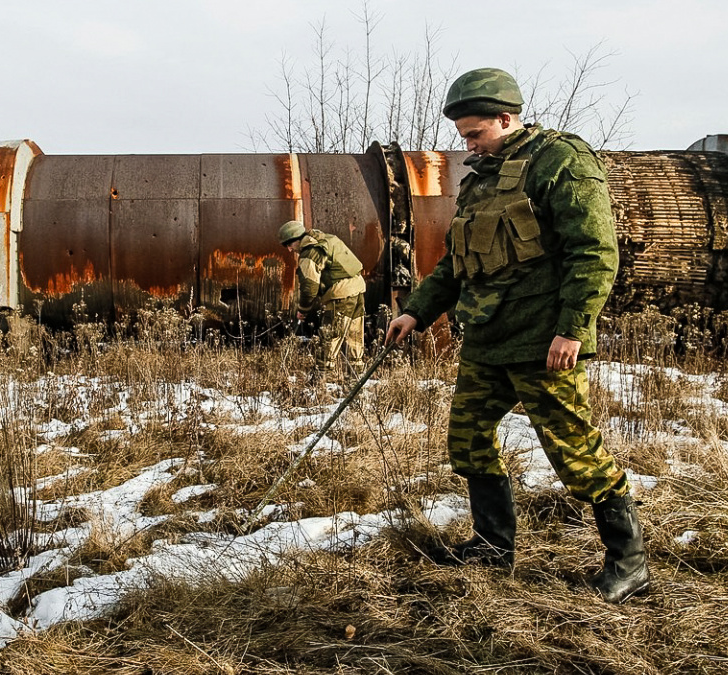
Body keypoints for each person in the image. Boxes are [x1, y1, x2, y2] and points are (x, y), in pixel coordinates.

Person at [383, 67, 649, 604]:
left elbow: (595, 252)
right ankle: (491, 547)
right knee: (468, 438)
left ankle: (629, 562)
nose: (467, 145)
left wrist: (573, 328)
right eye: (463, 136)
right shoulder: (481, 178)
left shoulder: (562, 161)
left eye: (475, 133)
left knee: (573, 450)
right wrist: (416, 311)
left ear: (507, 119)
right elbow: (459, 264)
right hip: (488, 335)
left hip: (542, 340)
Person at [278, 220, 367, 378]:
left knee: (330, 336)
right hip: (357, 289)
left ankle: (322, 382)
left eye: (289, 244)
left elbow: (309, 289)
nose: (289, 249)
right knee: (354, 337)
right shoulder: (325, 238)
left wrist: (302, 310)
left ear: (297, 239)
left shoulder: (309, 253)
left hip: (341, 294)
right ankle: (356, 379)